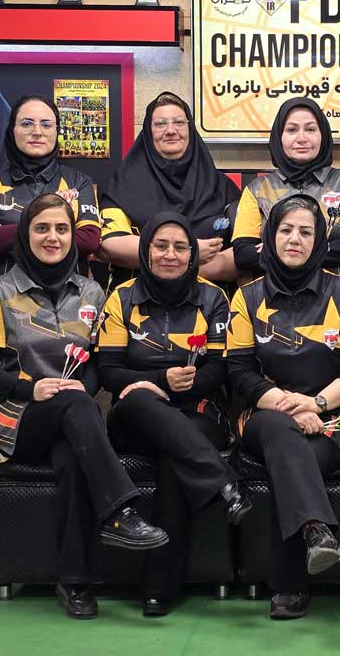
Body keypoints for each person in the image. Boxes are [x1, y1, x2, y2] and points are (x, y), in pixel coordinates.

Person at [0, 193, 168, 620]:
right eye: (42, 228)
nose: (52, 237)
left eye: (61, 228)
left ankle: (74, 582)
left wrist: (79, 388)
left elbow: (95, 365)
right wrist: (31, 389)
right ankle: (121, 510)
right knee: (75, 405)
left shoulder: (92, 291)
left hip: (72, 419)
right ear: (25, 234)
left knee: (75, 455)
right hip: (13, 416)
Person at [226, 194, 340, 619]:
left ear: (319, 242)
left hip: (336, 417)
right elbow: (239, 371)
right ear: (270, 236)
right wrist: (288, 407)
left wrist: (316, 402)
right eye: (286, 230)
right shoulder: (247, 297)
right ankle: (316, 530)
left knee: (293, 461)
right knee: (282, 435)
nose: (295, 239)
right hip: (266, 415)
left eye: (306, 232)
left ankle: (291, 584)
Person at [98, 212, 252, 617]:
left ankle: (159, 587)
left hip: (197, 411)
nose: (170, 255)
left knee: (175, 452)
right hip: (134, 414)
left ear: (192, 254)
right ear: (146, 251)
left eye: (180, 247)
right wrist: (157, 381)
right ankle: (223, 480)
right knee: (141, 401)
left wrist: (179, 387)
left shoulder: (214, 298)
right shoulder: (121, 298)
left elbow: (221, 369)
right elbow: (108, 371)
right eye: (161, 246)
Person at [100, 92, 241, 285]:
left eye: (179, 123)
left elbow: (243, 250)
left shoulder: (222, 187)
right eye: (160, 124)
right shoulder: (123, 185)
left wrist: (178, 268)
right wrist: (191, 253)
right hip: (138, 298)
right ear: (148, 132)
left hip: (209, 300)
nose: (170, 130)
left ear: (190, 129)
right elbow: (111, 243)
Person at [232, 97, 340, 287]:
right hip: (271, 296)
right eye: (292, 130)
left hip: (338, 295)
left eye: (310, 129)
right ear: (279, 137)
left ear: (323, 135)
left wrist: (280, 251)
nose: (301, 138)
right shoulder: (256, 189)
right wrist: (326, 249)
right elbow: (243, 253)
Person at [0, 95, 101, 282]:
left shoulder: (79, 182)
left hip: (69, 294)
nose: (37, 132)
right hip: (4, 294)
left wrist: (4, 233)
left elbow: (89, 240)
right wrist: (58, 232)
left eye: (46, 124)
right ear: (12, 130)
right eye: (27, 124)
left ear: (57, 130)